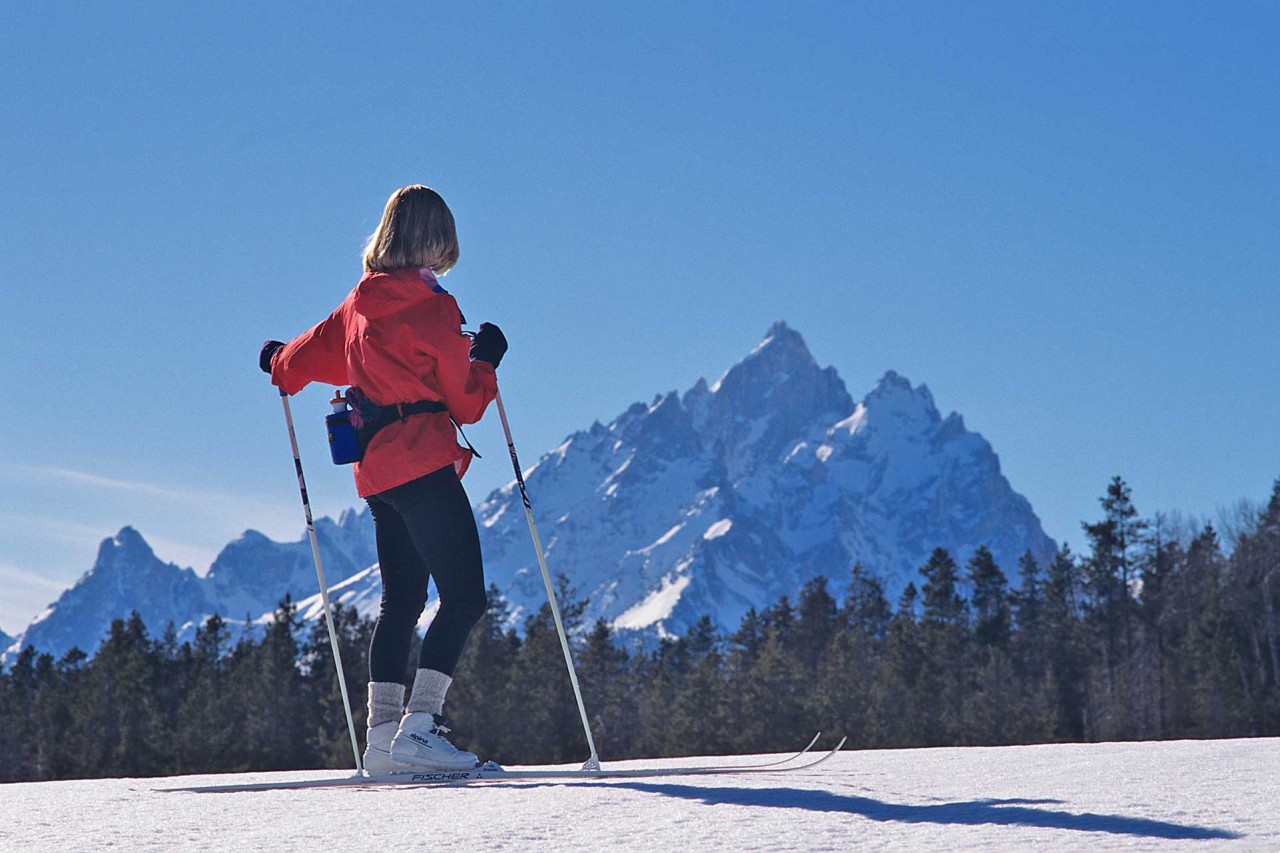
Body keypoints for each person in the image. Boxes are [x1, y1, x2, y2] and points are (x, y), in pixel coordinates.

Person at [259, 185, 507, 775]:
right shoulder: (437, 309)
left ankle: (381, 740)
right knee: (465, 596)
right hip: (423, 462)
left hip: (377, 476)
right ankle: (421, 729)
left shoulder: (358, 306)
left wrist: (275, 359)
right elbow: (466, 402)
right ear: (437, 239)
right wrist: (488, 359)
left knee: (401, 603)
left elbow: (298, 364)